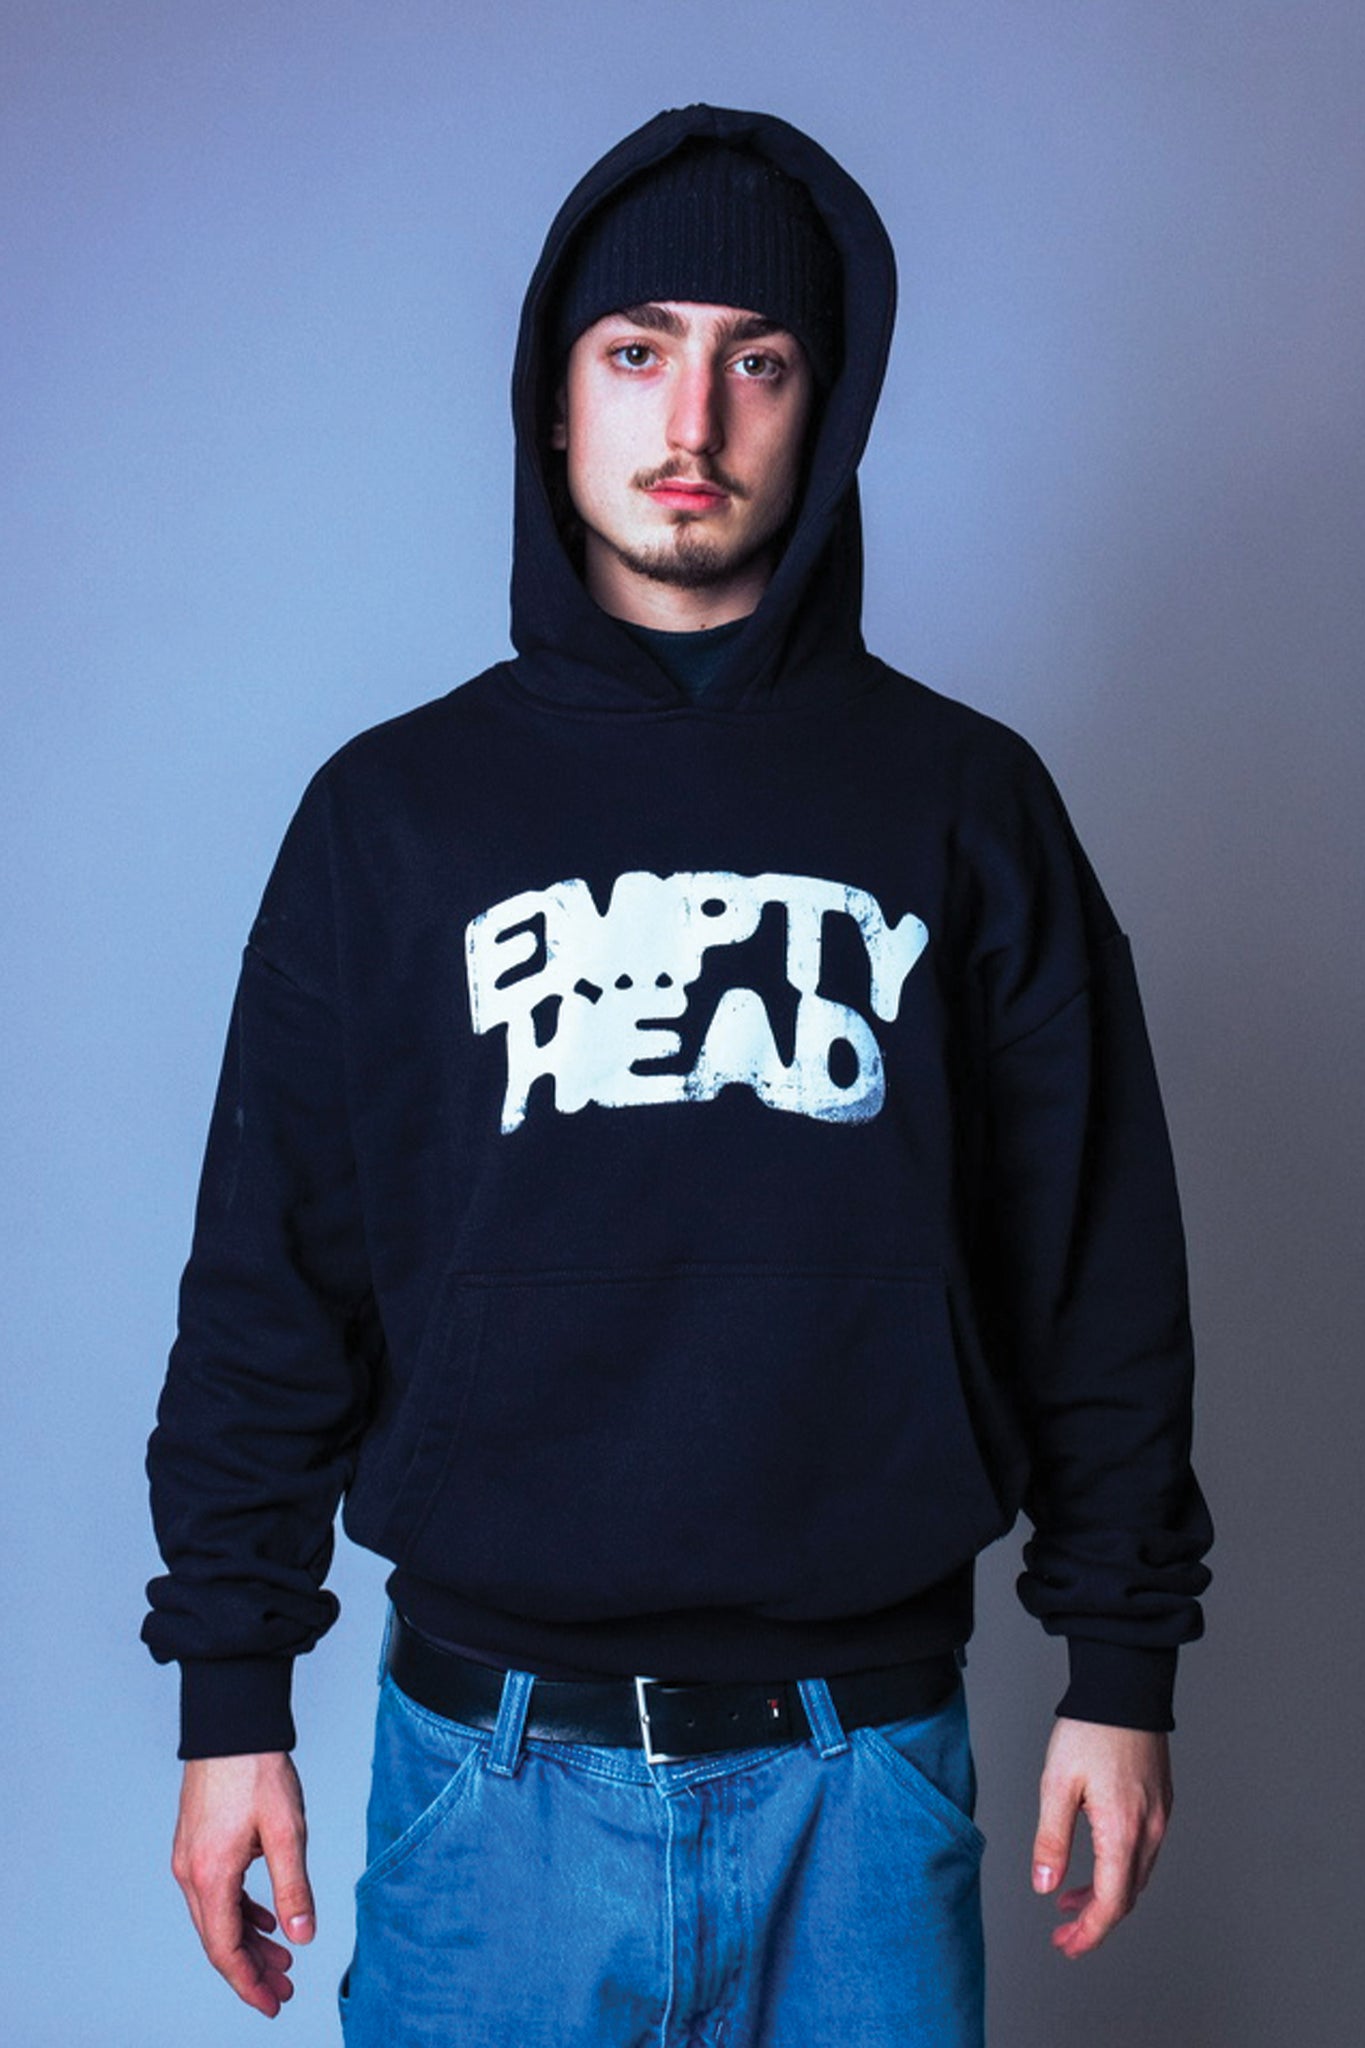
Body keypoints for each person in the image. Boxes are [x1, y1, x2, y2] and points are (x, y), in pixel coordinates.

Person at [145, 104, 1212, 2046]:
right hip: (489, 1782)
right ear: (554, 399)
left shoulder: (965, 806)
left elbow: (1094, 1263)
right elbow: (267, 1283)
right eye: (637, 350)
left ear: (827, 408)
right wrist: (232, 1702)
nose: (692, 419)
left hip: (862, 1779)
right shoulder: (391, 818)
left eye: (759, 360)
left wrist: (1117, 1664)